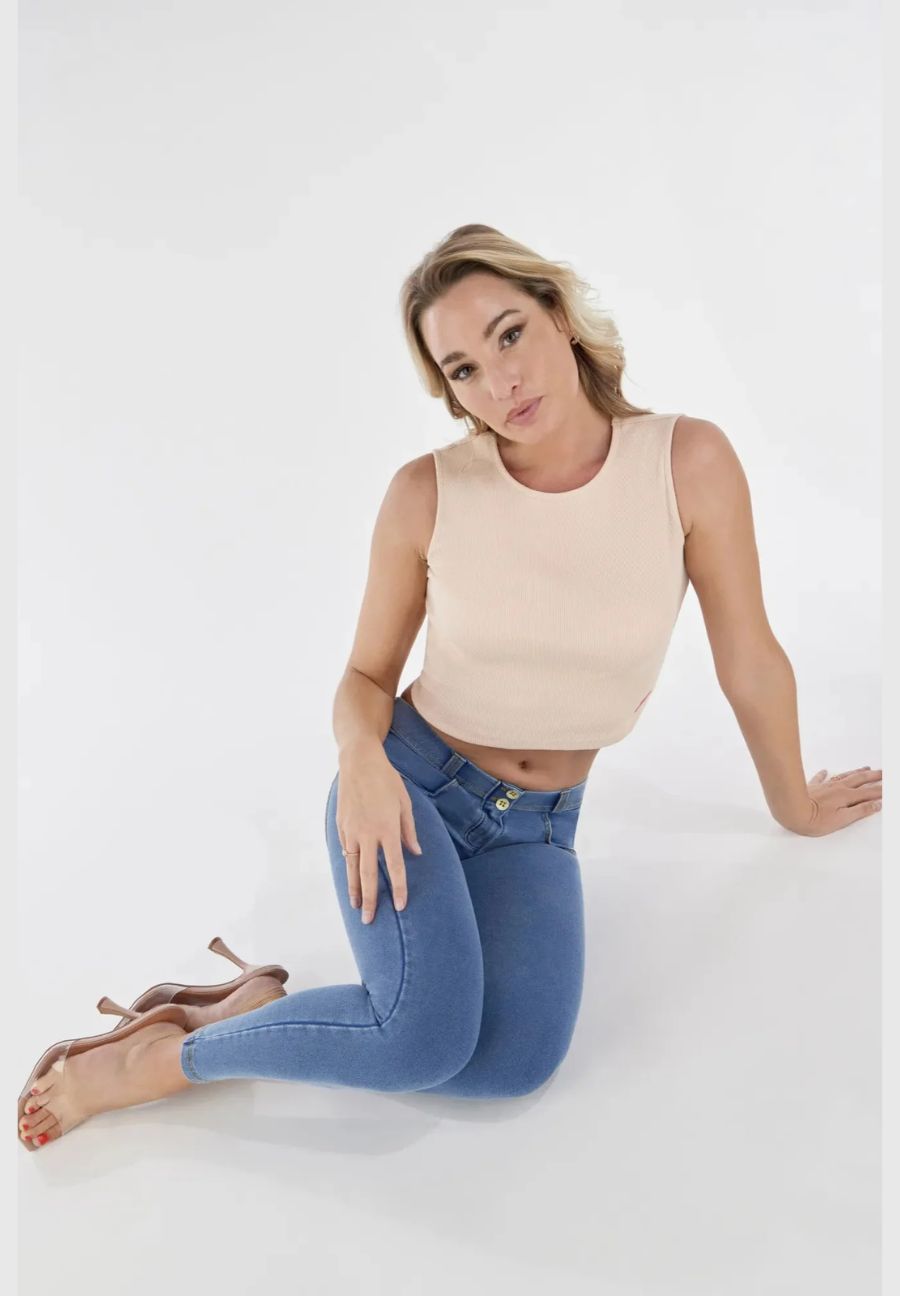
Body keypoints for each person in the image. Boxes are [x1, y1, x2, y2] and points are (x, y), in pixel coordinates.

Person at [18, 223, 883, 1150]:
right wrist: (362, 761)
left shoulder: (686, 462)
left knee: (511, 1065)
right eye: (464, 368)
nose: (500, 382)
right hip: (408, 790)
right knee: (420, 1039)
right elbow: (365, 676)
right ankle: (154, 1062)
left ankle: (253, 1008)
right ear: (450, 389)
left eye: (510, 335)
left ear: (559, 315)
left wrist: (794, 806)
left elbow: (748, 655)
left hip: (539, 826)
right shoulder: (428, 493)